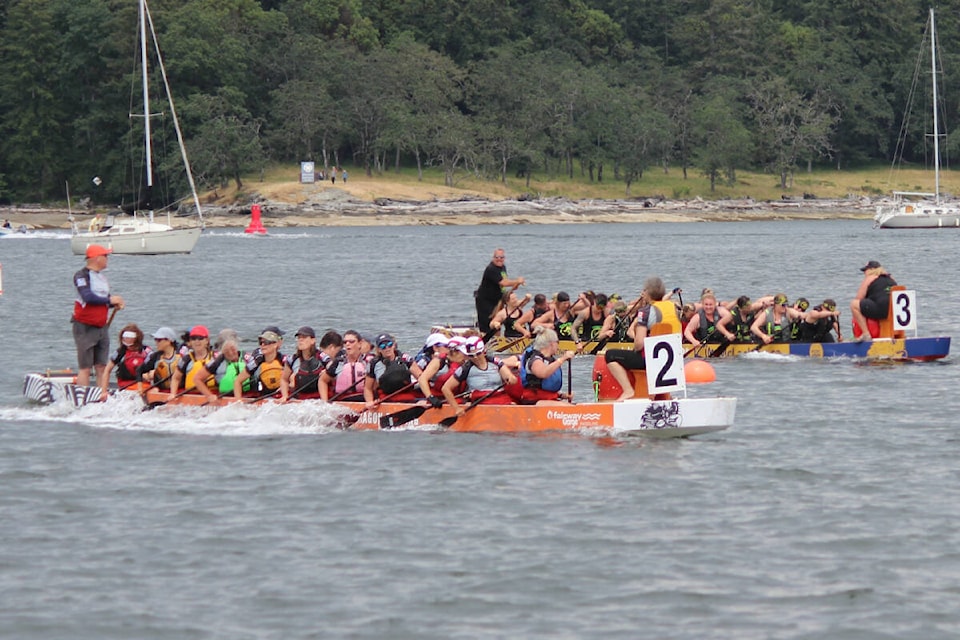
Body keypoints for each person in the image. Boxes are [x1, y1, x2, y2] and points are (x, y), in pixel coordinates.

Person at [603, 277, 680, 401]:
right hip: (675, 361)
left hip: (650, 361)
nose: (642, 293)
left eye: (644, 290)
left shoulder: (645, 312)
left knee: (610, 355)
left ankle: (628, 391)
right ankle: (665, 396)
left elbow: (639, 344)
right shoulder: (673, 308)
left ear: (648, 293)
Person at [71, 244, 125, 388]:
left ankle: (102, 395)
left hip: (101, 327)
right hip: (85, 326)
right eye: (105, 256)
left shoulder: (102, 278)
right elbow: (88, 297)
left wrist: (114, 304)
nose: (107, 259)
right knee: (86, 367)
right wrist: (110, 300)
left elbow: (103, 299)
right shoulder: (81, 276)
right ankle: (82, 397)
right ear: (96, 258)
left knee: (101, 366)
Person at [440, 337, 516, 411]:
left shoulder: (495, 362)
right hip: (480, 403)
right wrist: (456, 408)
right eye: (471, 355)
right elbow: (445, 389)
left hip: (501, 400)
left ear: (484, 351)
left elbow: (511, 378)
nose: (475, 357)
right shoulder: (465, 368)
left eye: (478, 354)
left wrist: (511, 379)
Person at [505, 328, 574, 404]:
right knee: (570, 409)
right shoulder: (535, 359)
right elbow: (543, 373)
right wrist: (562, 359)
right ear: (552, 343)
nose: (558, 345)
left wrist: (561, 395)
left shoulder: (549, 360)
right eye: (558, 342)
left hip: (547, 400)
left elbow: (544, 387)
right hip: (535, 401)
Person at [475, 249, 526, 333]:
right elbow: (503, 283)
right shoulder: (491, 269)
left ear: (504, 258)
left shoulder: (502, 267)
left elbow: (506, 282)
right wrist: (517, 281)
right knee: (488, 324)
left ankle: (499, 338)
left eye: (501, 257)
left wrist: (516, 284)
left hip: (498, 299)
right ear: (493, 258)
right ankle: (486, 340)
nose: (499, 259)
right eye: (497, 257)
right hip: (486, 301)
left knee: (498, 321)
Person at [364, 333, 422, 406]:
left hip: (406, 395)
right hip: (385, 397)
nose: (387, 348)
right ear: (379, 349)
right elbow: (367, 388)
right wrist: (369, 402)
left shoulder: (405, 358)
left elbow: (421, 378)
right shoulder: (373, 363)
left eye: (390, 344)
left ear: (394, 345)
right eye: (383, 346)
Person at [234, 327, 287, 400]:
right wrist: (238, 402)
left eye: (266, 342)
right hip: (263, 396)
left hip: (280, 396)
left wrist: (286, 388)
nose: (263, 345)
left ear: (276, 344)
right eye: (261, 343)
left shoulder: (284, 360)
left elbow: (292, 380)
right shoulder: (257, 361)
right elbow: (238, 381)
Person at [193, 331, 247, 402]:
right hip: (225, 395)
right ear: (222, 351)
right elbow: (197, 379)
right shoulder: (216, 362)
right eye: (227, 351)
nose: (231, 353)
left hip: (248, 394)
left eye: (233, 349)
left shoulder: (248, 359)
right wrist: (209, 395)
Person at [851, 260, 897, 341]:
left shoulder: (870, 278)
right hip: (895, 310)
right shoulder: (891, 278)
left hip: (882, 309)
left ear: (872, 269)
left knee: (854, 304)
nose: (864, 273)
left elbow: (859, 298)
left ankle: (866, 334)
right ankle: (892, 335)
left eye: (865, 270)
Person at [102, 323, 151, 397]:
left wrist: (149, 375)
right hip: (125, 386)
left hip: (143, 385)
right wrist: (104, 392)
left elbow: (155, 368)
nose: (127, 340)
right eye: (125, 338)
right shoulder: (120, 352)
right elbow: (107, 370)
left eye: (130, 338)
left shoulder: (146, 351)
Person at [167, 325, 215, 400]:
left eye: (200, 338)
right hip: (191, 395)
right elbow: (176, 378)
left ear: (207, 340)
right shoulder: (186, 359)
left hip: (213, 393)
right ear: (190, 342)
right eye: (193, 338)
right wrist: (173, 393)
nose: (197, 341)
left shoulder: (215, 358)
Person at [321, 330, 367, 401]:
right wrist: (324, 401)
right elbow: (322, 381)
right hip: (343, 400)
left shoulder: (368, 361)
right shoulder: (339, 362)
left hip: (364, 399)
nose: (348, 344)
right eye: (345, 342)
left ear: (360, 343)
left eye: (351, 342)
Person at [282, 326, 326, 398]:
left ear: (313, 340)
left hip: (319, 397)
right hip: (301, 398)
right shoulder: (292, 359)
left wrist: (326, 371)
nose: (300, 340)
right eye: (299, 337)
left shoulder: (322, 357)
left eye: (304, 337)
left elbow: (332, 369)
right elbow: (284, 379)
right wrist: (284, 396)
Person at [138, 327, 181, 391]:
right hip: (161, 391)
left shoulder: (181, 356)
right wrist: (140, 388)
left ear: (169, 341)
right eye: (155, 340)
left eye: (159, 340)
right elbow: (139, 370)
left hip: (180, 391)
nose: (156, 342)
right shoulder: (155, 357)